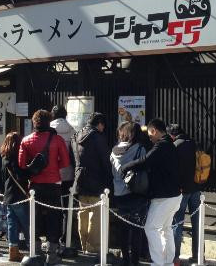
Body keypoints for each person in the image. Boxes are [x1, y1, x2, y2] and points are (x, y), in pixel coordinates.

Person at [121, 118, 183, 266]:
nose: (149, 138)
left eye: (150, 135)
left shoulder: (161, 145)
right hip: (175, 196)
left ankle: (158, 262)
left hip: (164, 197)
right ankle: (168, 261)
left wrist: (126, 167)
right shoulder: (171, 145)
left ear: (154, 130)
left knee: (151, 228)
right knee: (166, 228)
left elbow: (145, 161)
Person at [19, 109, 70, 265]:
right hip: (54, 183)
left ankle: (35, 250)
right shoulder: (57, 140)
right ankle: (52, 254)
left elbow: (22, 164)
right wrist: (53, 167)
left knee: (34, 216)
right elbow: (66, 162)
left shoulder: (26, 140)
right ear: (49, 122)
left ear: (34, 123)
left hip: (35, 185)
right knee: (54, 217)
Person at [71, 112, 112, 254]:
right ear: (99, 124)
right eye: (103, 125)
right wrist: (109, 180)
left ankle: (84, 245)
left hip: (80, 180)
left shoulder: (76, 135)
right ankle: (93, 248)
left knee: (83, 213)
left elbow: (74, 159)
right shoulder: (98, 137)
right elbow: (106, 161)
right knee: (95, 216)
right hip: (96, 180)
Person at [110, 122, 149, 266]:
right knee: (137, 229)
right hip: (136, 193)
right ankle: (135, 261)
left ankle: (125, 259)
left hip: (119, 193)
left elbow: (114, 173)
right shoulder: (140, 149)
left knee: (123, 228)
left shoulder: (113, 151)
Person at [167, 124, 201, 265]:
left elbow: (173, 171)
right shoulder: (193, 143)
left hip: (181, 191)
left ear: (172, 135)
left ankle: (176, 258)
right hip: (196, 189)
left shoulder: (174, 147)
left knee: (177, 224)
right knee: (197, 223)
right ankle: (198, 256)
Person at [50, 104, 78, 247]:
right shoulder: (72, 130)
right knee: (67, 208)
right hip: (68, 174)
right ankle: (66, 238)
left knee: (52, 207)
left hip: (52, 174)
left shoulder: (48, 129)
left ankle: (52, 238)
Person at [0, 132, 30, 262]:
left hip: (8, 195)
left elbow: (2, 177)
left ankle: (13, 251)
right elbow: (21, 176)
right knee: (27, 223)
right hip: (19, 195)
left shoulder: (4, 157)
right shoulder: (17, 158)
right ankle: (33, 248)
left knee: (12, 224)